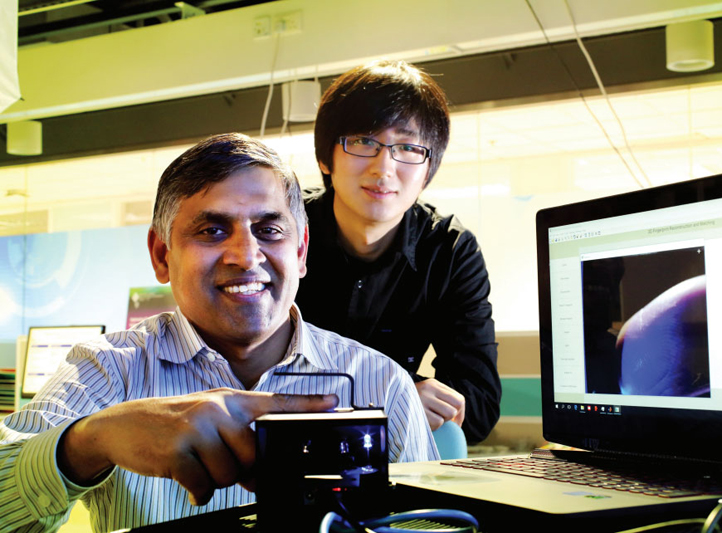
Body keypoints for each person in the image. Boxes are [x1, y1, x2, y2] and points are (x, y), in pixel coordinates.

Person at [0, 133, 437, 533]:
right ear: (161, 255)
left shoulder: (383, 384)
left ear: (301, 251)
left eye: (268, 230)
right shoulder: (108, 370)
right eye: (212, 230)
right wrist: (92, 440)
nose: (246, 256)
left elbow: (436, 527)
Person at [296, 60, 501, 444]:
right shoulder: (281, 232)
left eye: (408, 147)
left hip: (392, 460)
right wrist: (393, 399)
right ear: (326, 156)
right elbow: (244, 378)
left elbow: (479, 403)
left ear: (428, 169)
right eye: (363, 141)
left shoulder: (450, 250)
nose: (384, 167)